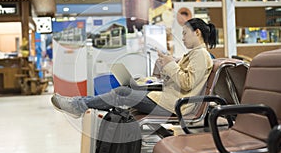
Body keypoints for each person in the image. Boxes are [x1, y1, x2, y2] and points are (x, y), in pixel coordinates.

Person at [51, 18, 217, 118]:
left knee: (122, 93)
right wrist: (165, 65)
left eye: (185, 33)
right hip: (169, 100)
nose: (183, 38)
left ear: (197, 33)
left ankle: (77, 106)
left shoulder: (201, 55)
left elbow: (186, 83)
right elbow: (180, 80)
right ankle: (78, 105)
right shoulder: (194, 54)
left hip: (175, 106)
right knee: (126, 88)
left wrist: (170, 64)